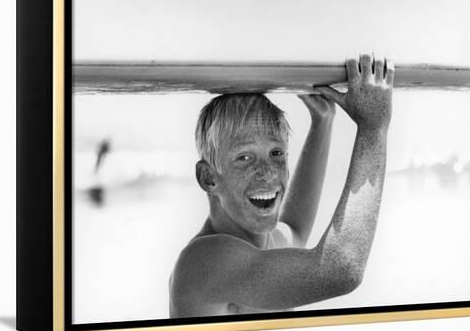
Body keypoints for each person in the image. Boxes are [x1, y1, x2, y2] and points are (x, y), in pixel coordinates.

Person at [169, 54, 394, 317]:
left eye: (276, 153)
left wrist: (323, 122)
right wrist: (373, 127)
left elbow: (296, 229)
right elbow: (341, 269)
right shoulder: (204, 261)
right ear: (208, 178)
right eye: (244, 158)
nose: (266, 172)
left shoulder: (266, 242)